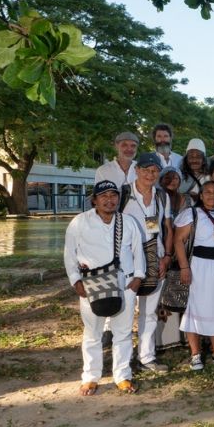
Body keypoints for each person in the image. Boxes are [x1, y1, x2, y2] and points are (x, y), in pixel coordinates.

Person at [65, 181, 146, 396]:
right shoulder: (79, 222)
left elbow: (138, 251)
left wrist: (138, 277)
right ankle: (90, 377)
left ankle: (123, 375)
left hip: (125, 283)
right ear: (94, 200)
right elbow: (69, 254)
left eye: (113, 195)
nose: (109, 200)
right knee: (93, 333)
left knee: (123, 332)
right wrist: (75, 280)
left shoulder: (128, 222)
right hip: (91, 285)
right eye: (104, 196)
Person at [120, 153, 173, 374]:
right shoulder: (123, 194)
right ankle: (122, 361)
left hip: (155, 258)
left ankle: (146, 357)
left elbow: (168, 227)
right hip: (128, 261)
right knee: (124, 312)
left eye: (155, 171)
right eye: (146, 170)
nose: (150, 174)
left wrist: (166, 256)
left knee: (149, 312)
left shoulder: (162, 197)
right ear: (136, 170)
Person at [173, 181, 214, 371]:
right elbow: (178, 240)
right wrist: (184, 267)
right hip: (200, 266)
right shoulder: (192, 214)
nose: (211, 195)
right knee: (196, 306)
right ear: (201, 195)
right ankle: (195, 354)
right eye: (207, 192)